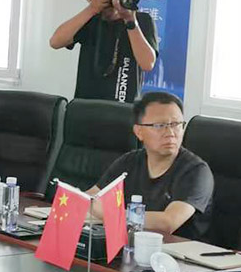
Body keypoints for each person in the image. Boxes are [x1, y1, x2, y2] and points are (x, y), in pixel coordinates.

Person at [90, 91, 212, 239]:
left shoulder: (196, 171)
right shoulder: (129, 162)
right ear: (139, 131)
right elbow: (91, 197)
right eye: (160, 125)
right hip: (131, 244)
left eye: (175, 124)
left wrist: (109, 214)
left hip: (176, 250)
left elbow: (169, 222)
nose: (170, 133)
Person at [49, 0, 158, 104]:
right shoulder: (89, 20)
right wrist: (91, 9)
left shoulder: (141, 20)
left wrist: (130, 21)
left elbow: (147, 64)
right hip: (85, 107)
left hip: (122, 108)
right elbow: (55, 42)